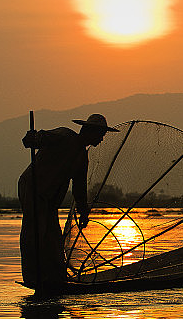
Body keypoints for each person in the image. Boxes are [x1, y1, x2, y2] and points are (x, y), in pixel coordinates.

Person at [18, 113, 118, 291]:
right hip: (33, 188)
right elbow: (36, 138)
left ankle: (53, 277)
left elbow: (79, 189)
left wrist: (83, 212)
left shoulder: (81, 158)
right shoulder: (64, 136)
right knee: (35, 234)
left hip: (49, 197)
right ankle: (35, 277)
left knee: (53, 236)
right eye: (100, 134)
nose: (102, 139)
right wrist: (33, 138)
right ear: (90, 131)